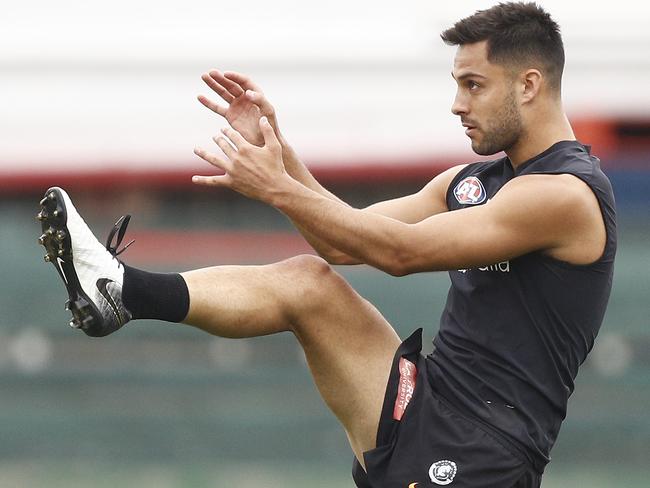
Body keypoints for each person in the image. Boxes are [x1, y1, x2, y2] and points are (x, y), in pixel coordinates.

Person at [37, 2, 616, 487]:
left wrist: (279, 191)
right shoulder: (475, 181)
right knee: (308, 283)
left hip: (486, 449)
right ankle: (121, 291)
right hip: (430, 398)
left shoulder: (562, 194)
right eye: (457, 85)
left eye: (473, 85)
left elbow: (399, 252)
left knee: (312, 283)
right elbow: (345, 240)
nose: (458, 103)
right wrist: (281, 155)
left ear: (530, 85)